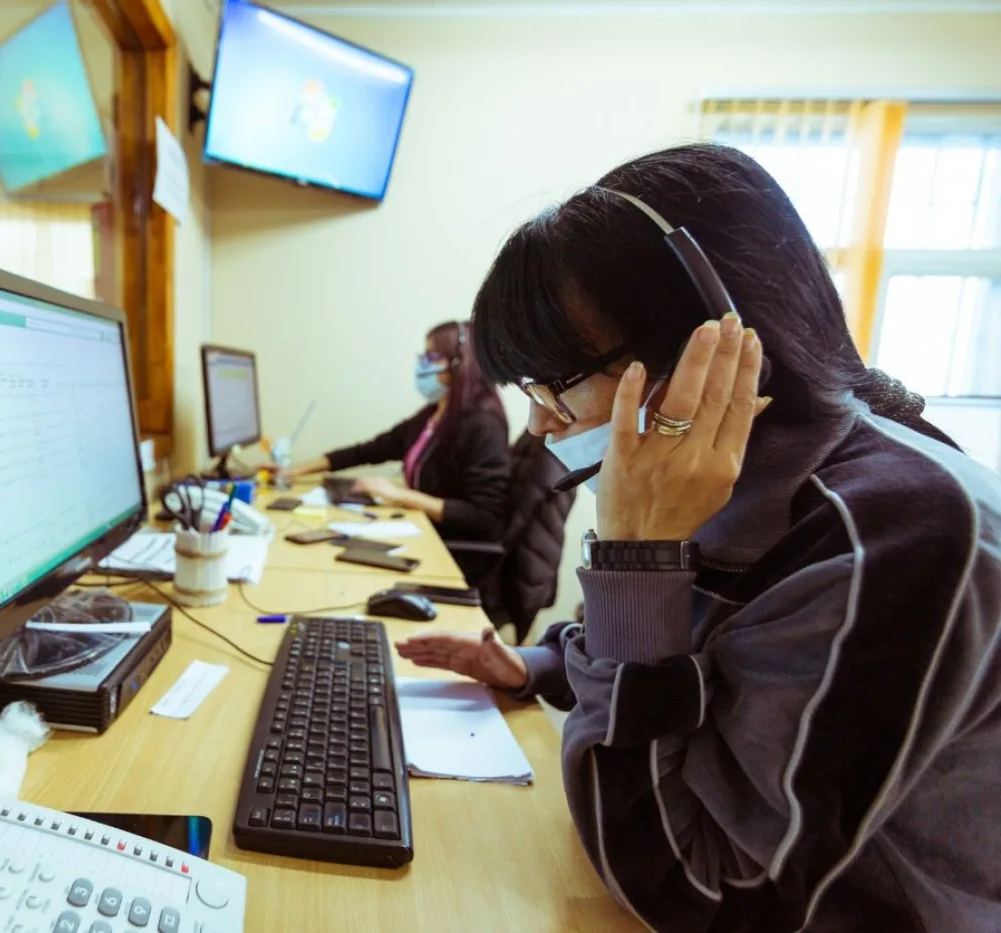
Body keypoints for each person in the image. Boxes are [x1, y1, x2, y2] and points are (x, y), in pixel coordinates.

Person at [396, 144, 1001, 931]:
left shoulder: (897, 538)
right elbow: (701, 659)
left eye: (554, 386)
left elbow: (703, 890)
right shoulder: (737, 479)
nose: (541, 423)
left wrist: (635, 558)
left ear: (706, 346)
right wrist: (538, 664)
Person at [287, 321, 511, 575]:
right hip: (422, 533)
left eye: (430, 357)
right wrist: (296, 470)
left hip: (449, 555)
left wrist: (398, 495)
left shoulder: (483, 426)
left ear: (458, 364)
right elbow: (370, 450)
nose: (421, 365)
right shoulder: (434, 415)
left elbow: (483, 516)